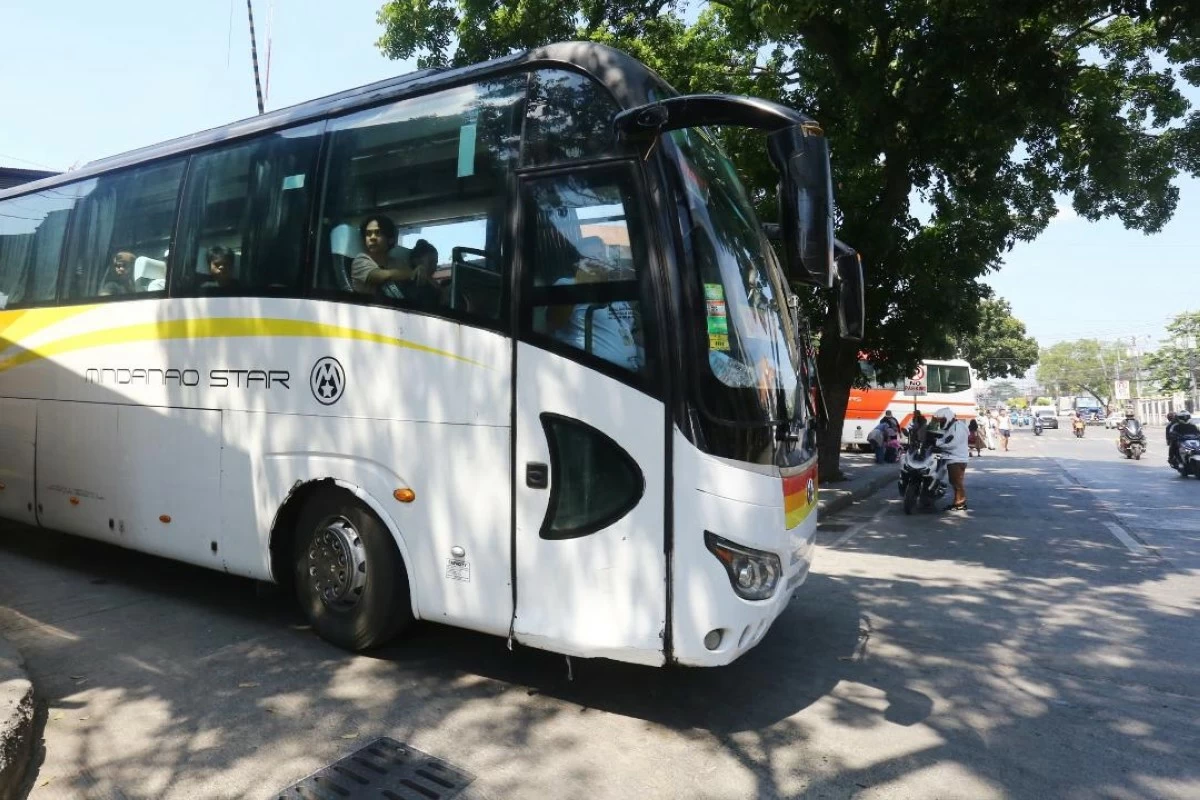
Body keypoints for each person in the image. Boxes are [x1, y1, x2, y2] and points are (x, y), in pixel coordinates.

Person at [350, 215, 421, 296]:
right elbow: (380, 276)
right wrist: (410, 274)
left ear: (391, 239)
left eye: (378, 233)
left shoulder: (397, 262)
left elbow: (414, 274)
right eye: (368, 234)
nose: (372, 238)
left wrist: (420, 270)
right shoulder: (361, 260)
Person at [931, 407, 970, 511]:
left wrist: (937, 443)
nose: (941, 422)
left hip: (956, 458)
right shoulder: (954, 426)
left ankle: (960, 504)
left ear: (948, 418)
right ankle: (957, 503)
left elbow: (952, 444)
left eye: (942, 420)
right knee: (955, 482)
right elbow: (946, 438)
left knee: (956, 482)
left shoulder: (957, 427)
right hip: (955, 457)